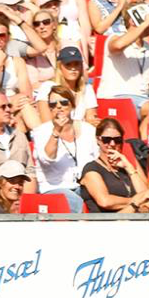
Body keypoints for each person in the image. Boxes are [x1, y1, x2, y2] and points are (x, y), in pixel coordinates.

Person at [30, 84, 99, 213]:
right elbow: (46, 160)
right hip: (53, 188)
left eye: (63, 102)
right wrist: (56, 132)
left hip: (83, 185)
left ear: (72, 104)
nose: (59, 107)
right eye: (53, 104)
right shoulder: (41, 132)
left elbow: (97, 159)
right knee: (75, 201)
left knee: (101, 196)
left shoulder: (88, 130)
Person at [98, 2, 149, 127]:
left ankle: (145, 144)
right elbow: (118, 46)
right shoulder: (114, 37)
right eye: (148, 18)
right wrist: (143, 25)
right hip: (116, 97)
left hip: (142, 101)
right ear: (133, 21)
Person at [79, 117, 149, 213]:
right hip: (106, 223)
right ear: (98, 140)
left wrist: (129, 167)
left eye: (117, 140)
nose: (112, 144)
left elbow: (146, 196)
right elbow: (105, 201)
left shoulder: (126, 167)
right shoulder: (91, 169)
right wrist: (136, 201)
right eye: (107, 140)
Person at [0, 86, 35, 193]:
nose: (9, 110)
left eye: (9, 106)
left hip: (20, 196)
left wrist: (27, 201)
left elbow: (30, 171)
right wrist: (2, 192)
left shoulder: (19, 136)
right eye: (3, 107)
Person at [34, 46, 96, 126]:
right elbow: (46, 123)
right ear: (60, 67)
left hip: (81, 133)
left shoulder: (87, 88)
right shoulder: (48, 87)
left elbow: (91, 120)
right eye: (68, 64)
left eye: (76, 64)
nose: (73, 68)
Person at [0, 15, 30, 99]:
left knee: (25, 104)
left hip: (15, 104)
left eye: (2, 35)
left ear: (8, 37)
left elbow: (26, 93)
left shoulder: (17, 62)